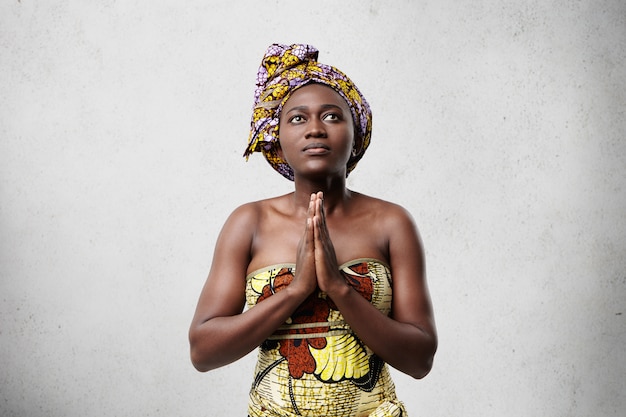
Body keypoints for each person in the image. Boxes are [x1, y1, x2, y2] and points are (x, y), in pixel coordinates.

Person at [189, 43, 437, 417]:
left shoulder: (391, 223)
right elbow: (203, 352)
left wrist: (339, 289)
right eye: (298, 119)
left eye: (333, 117)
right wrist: (296, 290)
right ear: (278, 137)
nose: (316, 129)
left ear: (357, 130)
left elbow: (420, 359)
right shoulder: (249, 223)